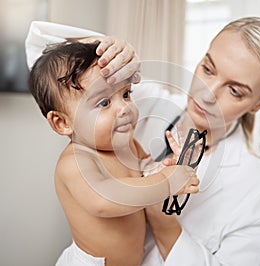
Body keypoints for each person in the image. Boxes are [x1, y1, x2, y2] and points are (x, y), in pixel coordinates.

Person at [25, 16, 260, 265]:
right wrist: (109, 48)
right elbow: (51, 72)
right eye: (208, 69)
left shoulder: (259, 190)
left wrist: (164, 219)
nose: (207, 94)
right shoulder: (128, 102)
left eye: (234, 91)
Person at [28, 40, 199, 266]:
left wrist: (167, 168)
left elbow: (146, 173)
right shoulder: (76, 161)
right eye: (105, 102)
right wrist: (165, 182)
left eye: (126, 94)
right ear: (62, 122)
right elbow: (104, 200)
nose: (124, 108)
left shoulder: (128, 146)